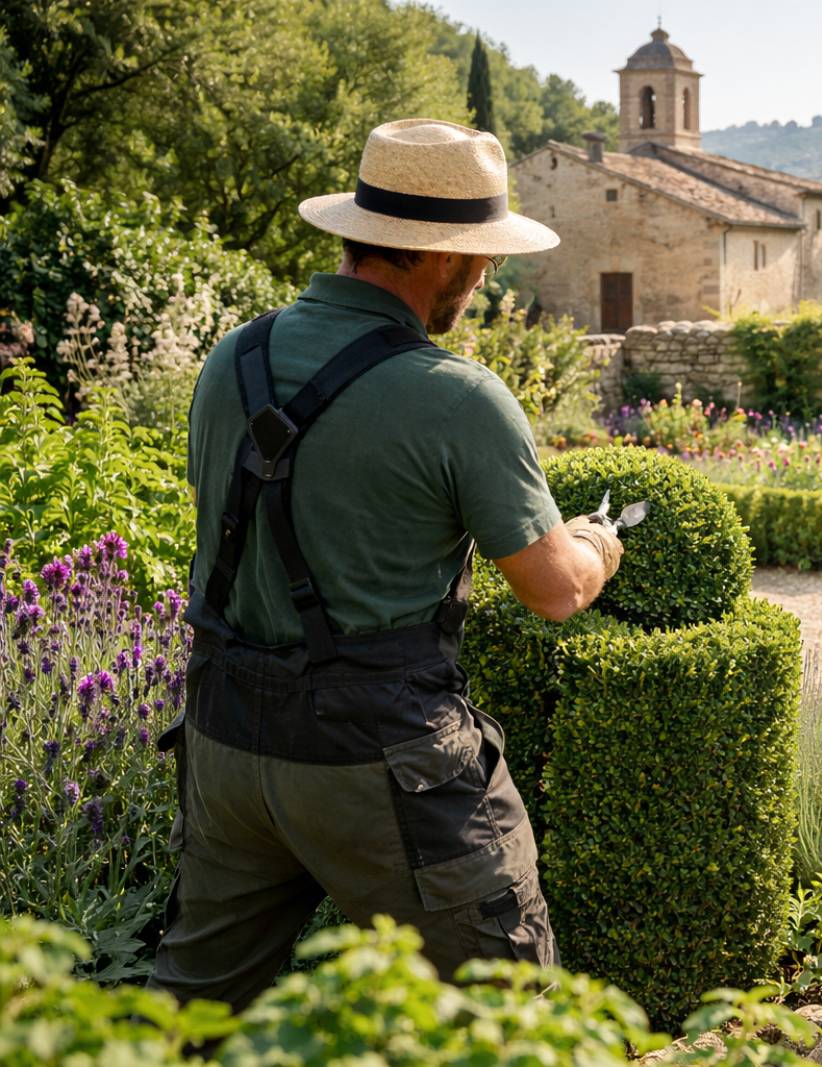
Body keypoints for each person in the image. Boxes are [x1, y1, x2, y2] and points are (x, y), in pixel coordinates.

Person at [147, 118, 622, 1011]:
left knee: (183, 1018)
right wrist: (598, 543)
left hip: (227, 741)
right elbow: (554, 591)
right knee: (507, 1012)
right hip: (385, 765)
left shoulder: (230, 360)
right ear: (441, 258)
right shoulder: (458, 397)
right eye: (480, 259)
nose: (485, 278)